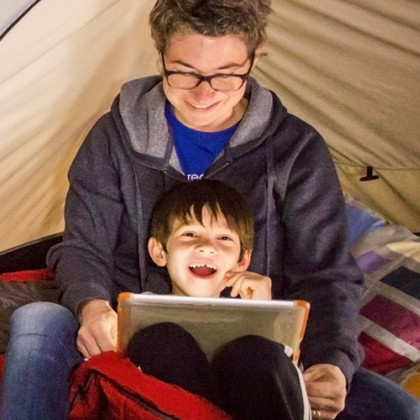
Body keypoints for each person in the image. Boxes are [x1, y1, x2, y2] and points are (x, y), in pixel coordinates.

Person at [0, 0, 419, 419]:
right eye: (184, 72)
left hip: (256, 349)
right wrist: (92, 308)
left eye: (226, 75)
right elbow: (83, 247)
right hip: (130, 338)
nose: (204, 94)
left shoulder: (295, 150)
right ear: (160, 54)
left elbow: (325, 273)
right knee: (37, 320)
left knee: (397, 408)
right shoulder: (115, 137)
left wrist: (331, 362)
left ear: (255, 57)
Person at [125, 179, 310, 420]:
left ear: (242, 261)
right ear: (159, 252)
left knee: (254, 354)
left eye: (223, 238)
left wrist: (263, 318)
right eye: (190, 234)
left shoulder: (261, 317)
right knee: (160, 341)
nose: (206, 247)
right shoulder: (140, 315)